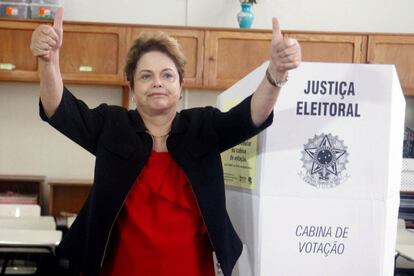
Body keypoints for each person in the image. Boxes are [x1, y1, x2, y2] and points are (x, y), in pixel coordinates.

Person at [30, 7, 301, 276]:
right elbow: (59, 109)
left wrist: (275, 73)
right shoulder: (111, 125)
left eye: (167, 75)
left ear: (180, 85)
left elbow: (251, 115)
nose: (157, 82)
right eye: (146, 76)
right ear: (133, 88)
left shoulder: (203, 126)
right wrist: (48, 61)